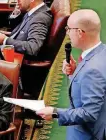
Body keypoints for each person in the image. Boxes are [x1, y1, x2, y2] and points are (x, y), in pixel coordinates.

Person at [36, 9, 106, 140]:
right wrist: (75, 72)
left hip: (86, 135)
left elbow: (89, 113)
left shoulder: (92, 70)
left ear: (80, 32)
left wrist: (56, 113)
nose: (67, 32)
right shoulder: (102, 52)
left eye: (69, 29)